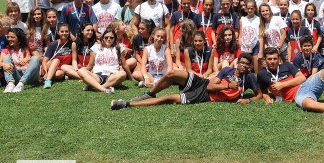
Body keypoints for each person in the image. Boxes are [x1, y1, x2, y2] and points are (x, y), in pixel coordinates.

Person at [110, 53, 262, 109]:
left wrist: (248, 100)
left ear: (250, 67)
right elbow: (210, 85)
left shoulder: (249, 77)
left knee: (169, 98)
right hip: (203, 85)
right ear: (237, 63)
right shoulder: (227, 70)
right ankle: (149, 93)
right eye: (241, 63)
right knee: (172, 73)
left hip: (205, 96)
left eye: (246, 64)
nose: (243, 66)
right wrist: (228, 85)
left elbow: (259, 94)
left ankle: (126, 104)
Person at [0, 28, 40, 93]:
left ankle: (21, 83)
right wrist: (3, 64)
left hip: (31, 75)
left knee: (35, 58)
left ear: (19, 39)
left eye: (12, 37)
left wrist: (28, 58)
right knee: (6, 57)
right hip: (17, 75)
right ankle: (10, 84)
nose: (9, 39)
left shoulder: (28, 47)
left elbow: (40, 58)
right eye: (8, 37)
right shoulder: (6, 50)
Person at [42, 23, 73, 89]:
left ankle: (48, 77)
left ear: (69, 32)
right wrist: (45, 72)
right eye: (62, 31)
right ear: (58, 32)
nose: (64, 33)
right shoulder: (53, 44)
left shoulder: (72, 44)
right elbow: (44, 61)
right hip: (49, 66)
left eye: (66, 31)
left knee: (60, 74)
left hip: (61, 69)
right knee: (56, 60)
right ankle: (47, 81)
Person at [239, 0, 262, 70]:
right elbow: (240, 35)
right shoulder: (242, 19)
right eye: (248, 8)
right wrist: (240, 45)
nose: (249, 10)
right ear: (245, 8)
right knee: (246, 62)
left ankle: (257, 74)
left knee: (256, 59)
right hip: (245, 44)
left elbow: (261, 36)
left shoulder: (258, 19)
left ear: (255, 8)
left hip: (255, 43)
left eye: (251, 8)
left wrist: (261, 50)